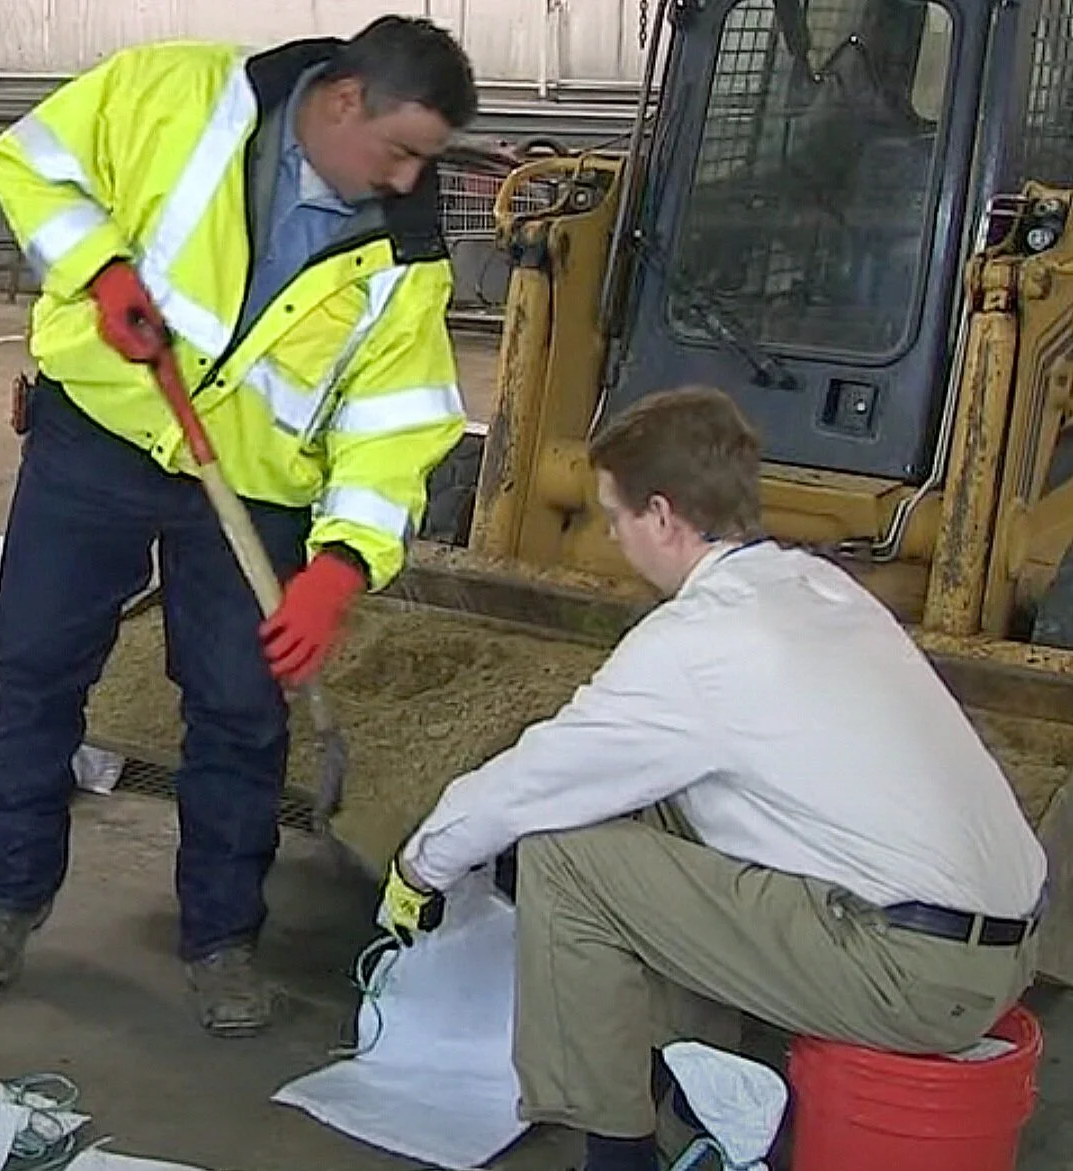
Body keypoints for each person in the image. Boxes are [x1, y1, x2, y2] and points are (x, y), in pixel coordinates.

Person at [0, 16, 477, 1038]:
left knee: (239, 713)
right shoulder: (175, 95)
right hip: (99, 431)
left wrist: (340, 564)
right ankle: (5, 900)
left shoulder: (406, 257)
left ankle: (221, 938)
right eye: (400, 151)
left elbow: (393, 427)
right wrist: (100, 269)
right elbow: (28, 161)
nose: (410, 179)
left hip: (253, 490)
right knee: (34, 668)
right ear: (342, 101)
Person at [378, 385, 1048, 1171]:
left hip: (914, 973)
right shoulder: (817, 587)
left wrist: (420, 867)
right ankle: (700, 1101)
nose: (614, 534)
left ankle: (618, 1155)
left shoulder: (695, 643)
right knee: (657, 801)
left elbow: (536, 781)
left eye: (616, 515)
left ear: (662, 516)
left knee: (564, 859)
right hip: (1002, 942)